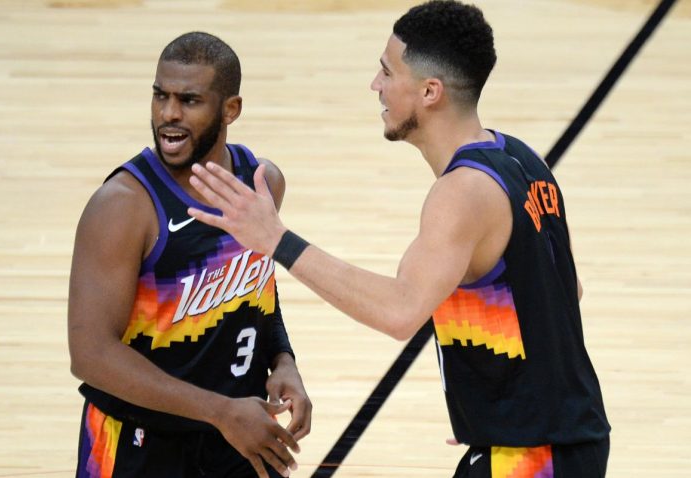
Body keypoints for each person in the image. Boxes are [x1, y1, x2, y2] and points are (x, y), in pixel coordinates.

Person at [185, 1, 611, 477]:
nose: (376, 85)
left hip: (533, 456)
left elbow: (398, 311)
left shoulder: (461, 192)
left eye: (387, 72)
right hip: (562, 439)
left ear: (430, 91)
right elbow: (565, 290)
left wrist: (276, 240)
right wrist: (497, 396)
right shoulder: (521, 157)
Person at [67, 32, 311, 478]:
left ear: (230, 109)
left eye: (189, 100)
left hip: (238, 435)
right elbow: (90, 354)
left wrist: (284, 361)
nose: (168, 115)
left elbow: (257, 294)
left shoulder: (261, 183)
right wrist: (219, 411)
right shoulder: (123, 205)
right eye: (160, 96)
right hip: (139, 444)